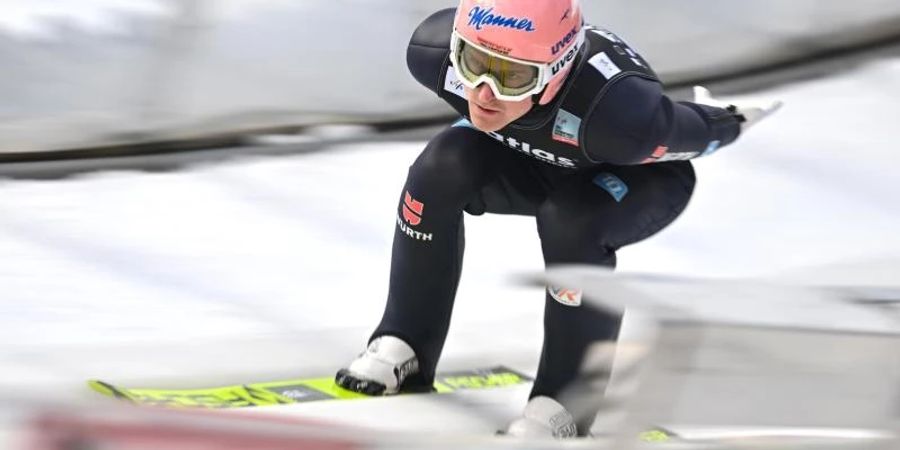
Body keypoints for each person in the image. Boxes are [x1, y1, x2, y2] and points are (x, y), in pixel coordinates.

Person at [334, 0, 781, 438]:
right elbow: (482, 91)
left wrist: (730, 119)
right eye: (473, 63)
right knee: (440, 166)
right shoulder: (432, 55)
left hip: (633, 177)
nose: (484, 92)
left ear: (555, 75)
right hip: (535, 157)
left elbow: (692, 130)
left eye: (511, 76)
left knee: (572, 221)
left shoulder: (623, 119)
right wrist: (499, 80)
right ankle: (405, 342)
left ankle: (565, 400)